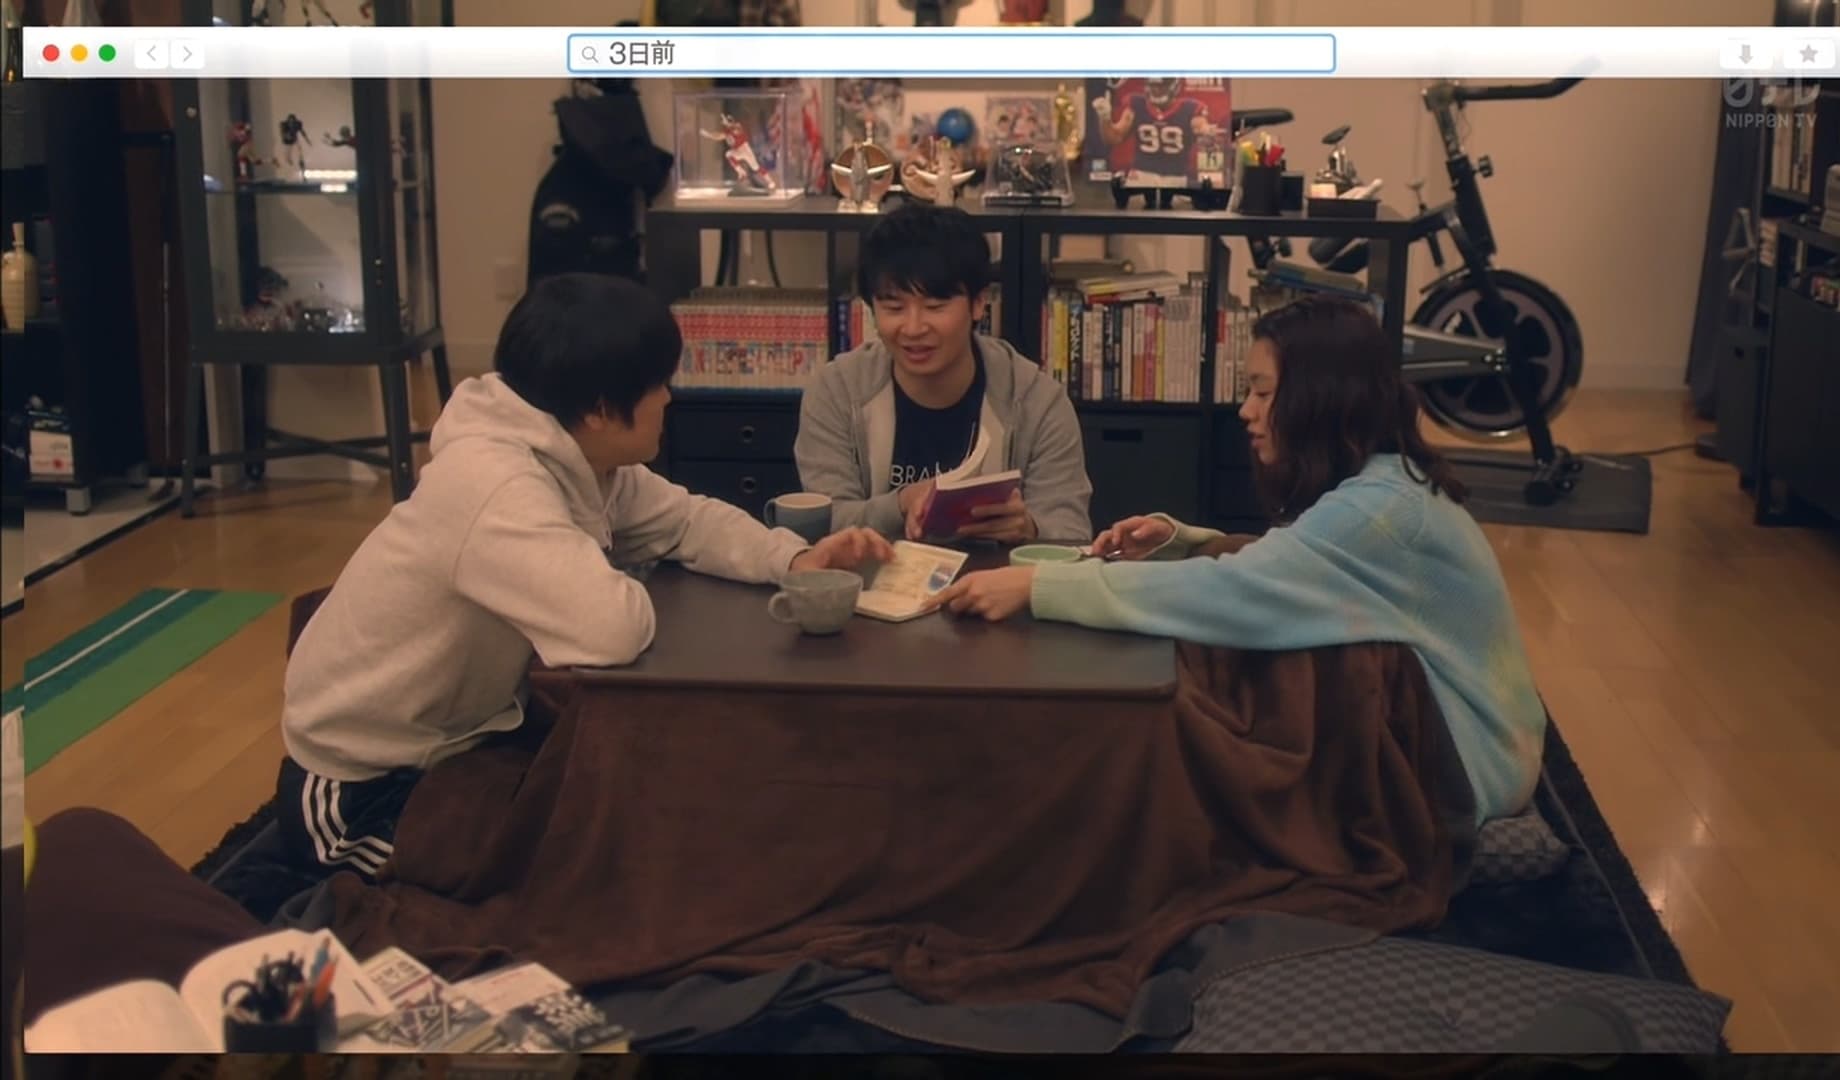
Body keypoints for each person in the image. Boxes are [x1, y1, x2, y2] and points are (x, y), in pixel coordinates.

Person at [278, 274, 892, 880]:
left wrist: (791, 560)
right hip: (361, 784)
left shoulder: (576, 450)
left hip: (467, 738)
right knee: (573, 879)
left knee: (653, 816)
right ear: (600, 409)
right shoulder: (496, 487)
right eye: (658, 384)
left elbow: (684, 519)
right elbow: (609, 629)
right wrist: (612, 566)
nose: (669, 399)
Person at [932, 296, 1547, 825]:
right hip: (1469, 745)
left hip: (1468, 768)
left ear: (1320, 398)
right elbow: (1294, 566)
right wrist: (1186, 543)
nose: (1246, 411)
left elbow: (1238, 591)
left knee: (1201, 722)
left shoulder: (1377, 512)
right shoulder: (1385, 483)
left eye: (1262, 392)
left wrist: (1037, 586)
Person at [794, 203, 1093, 544]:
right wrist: (902, 504)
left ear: (978, 303)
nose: (913, 328)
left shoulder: (1037, 401)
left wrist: (1030, 530)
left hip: (998, 576)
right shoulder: (837, 391)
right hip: (874, 576)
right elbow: (826, 522)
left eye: (935, 307)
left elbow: (1072, 533)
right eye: (894, 308)